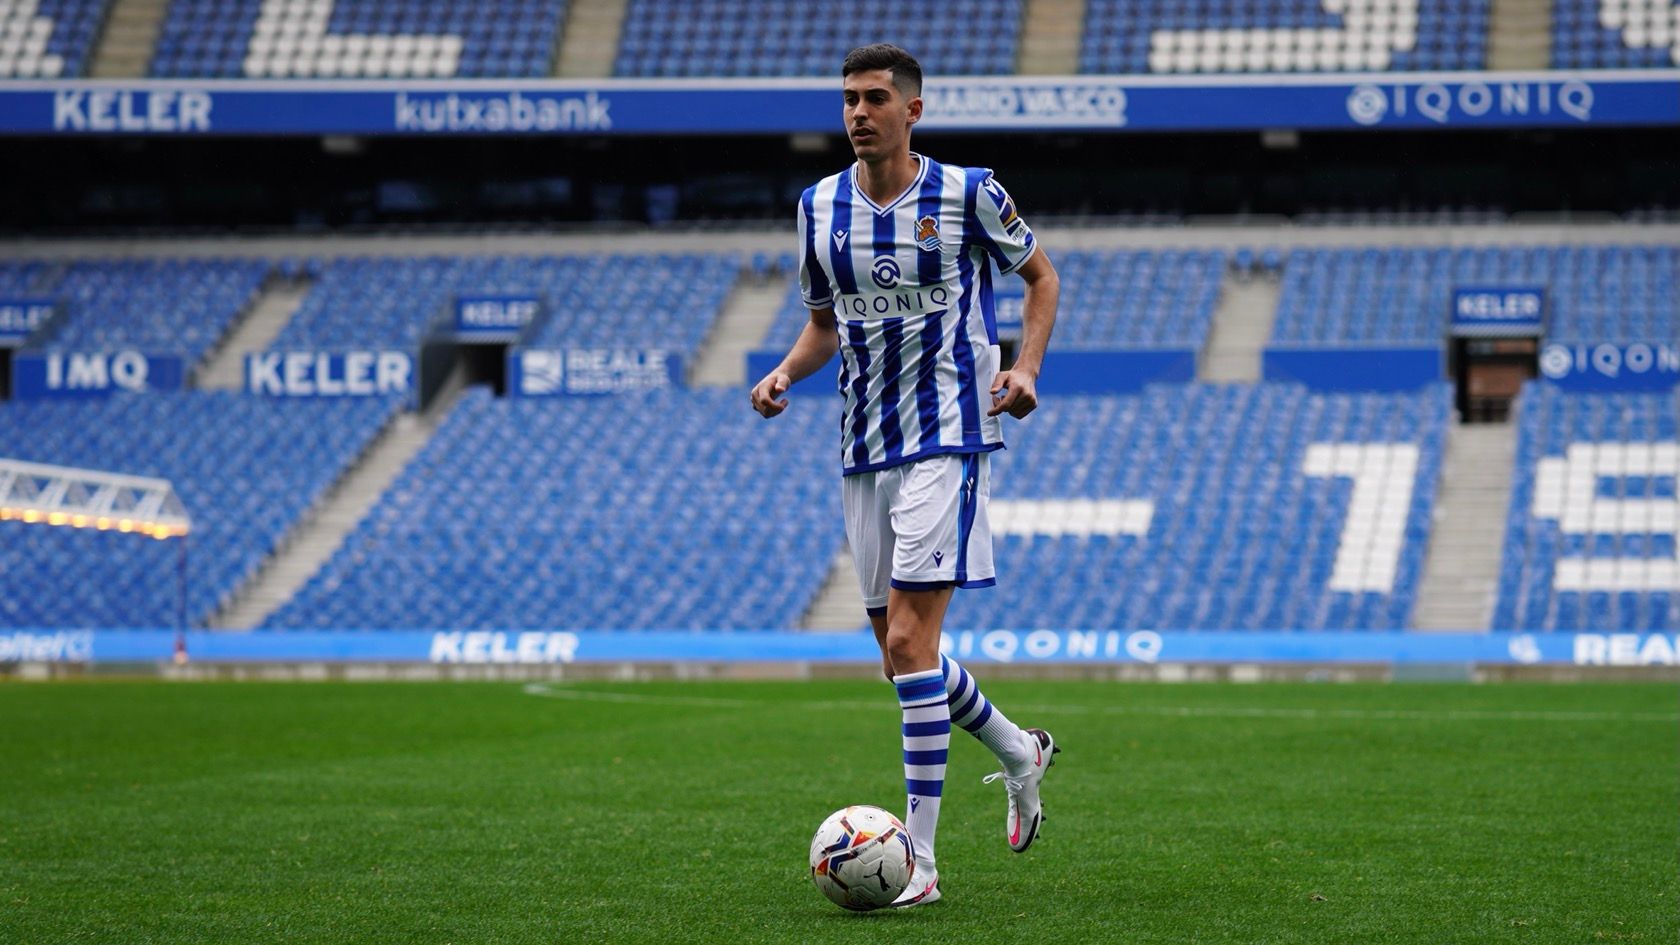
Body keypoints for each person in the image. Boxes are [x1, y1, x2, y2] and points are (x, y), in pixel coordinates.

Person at [749, 43, 1063, 908]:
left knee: (912, 647)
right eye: (849, 98)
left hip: (949, 433)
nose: (859, 112)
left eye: (876, 98)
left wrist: (1026, 367)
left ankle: (918, 863)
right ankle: (1019, 749)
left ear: (912, 110)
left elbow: (1041, 279)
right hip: (863, 445)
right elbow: (825, 323)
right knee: (900, 662)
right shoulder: (818, 207)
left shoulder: (969, 192)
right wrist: (784, 371)